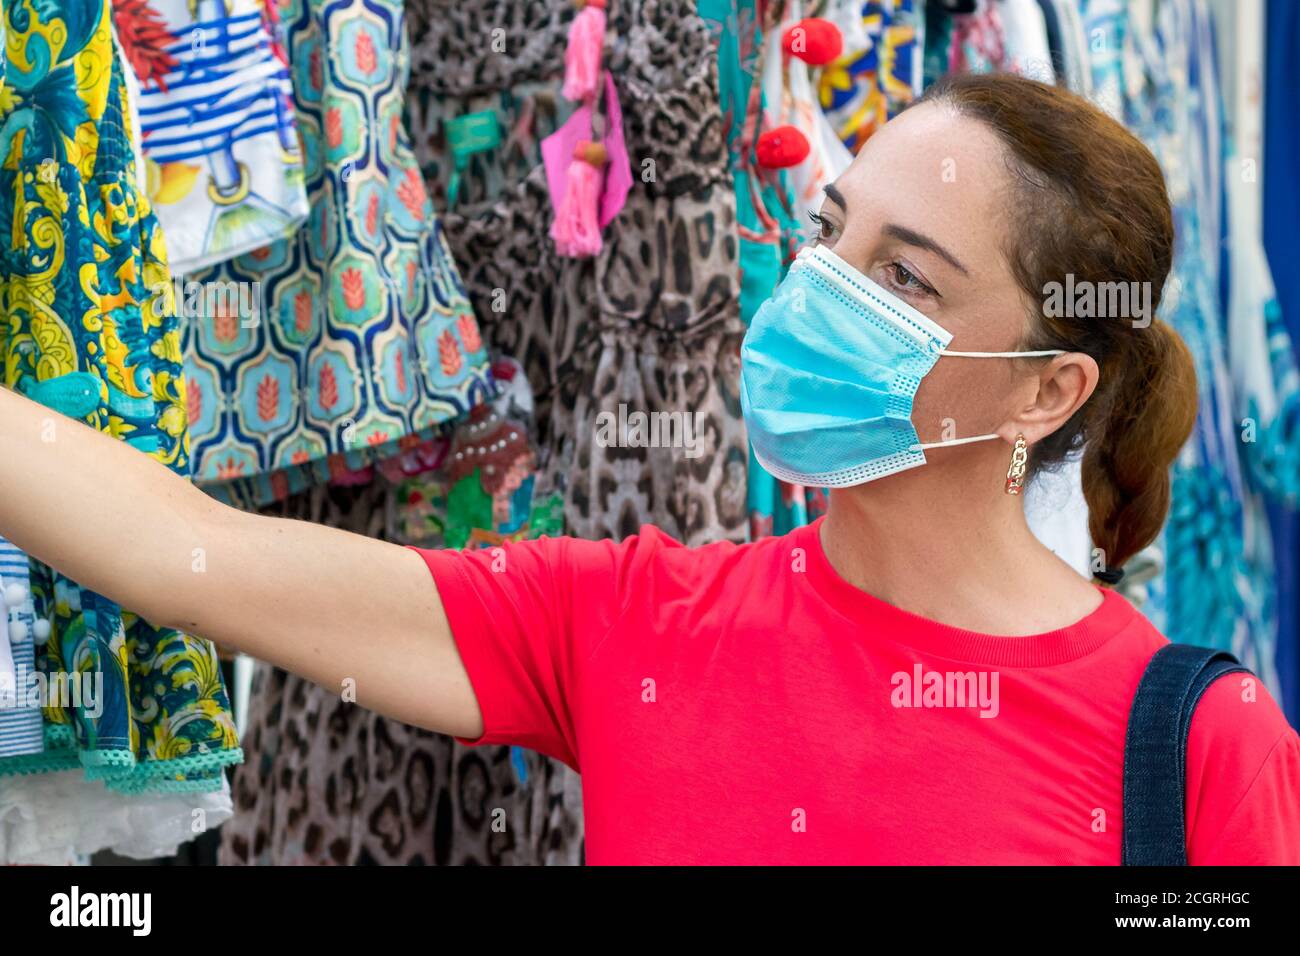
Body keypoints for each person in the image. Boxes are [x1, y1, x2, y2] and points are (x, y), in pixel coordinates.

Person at [1, 73, 1296, 865]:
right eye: (832, 232)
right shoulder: (630, 621)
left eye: (904, 277)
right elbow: (190, 555)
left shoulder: (1193, 743)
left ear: (1046, 388)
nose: (819, 291)